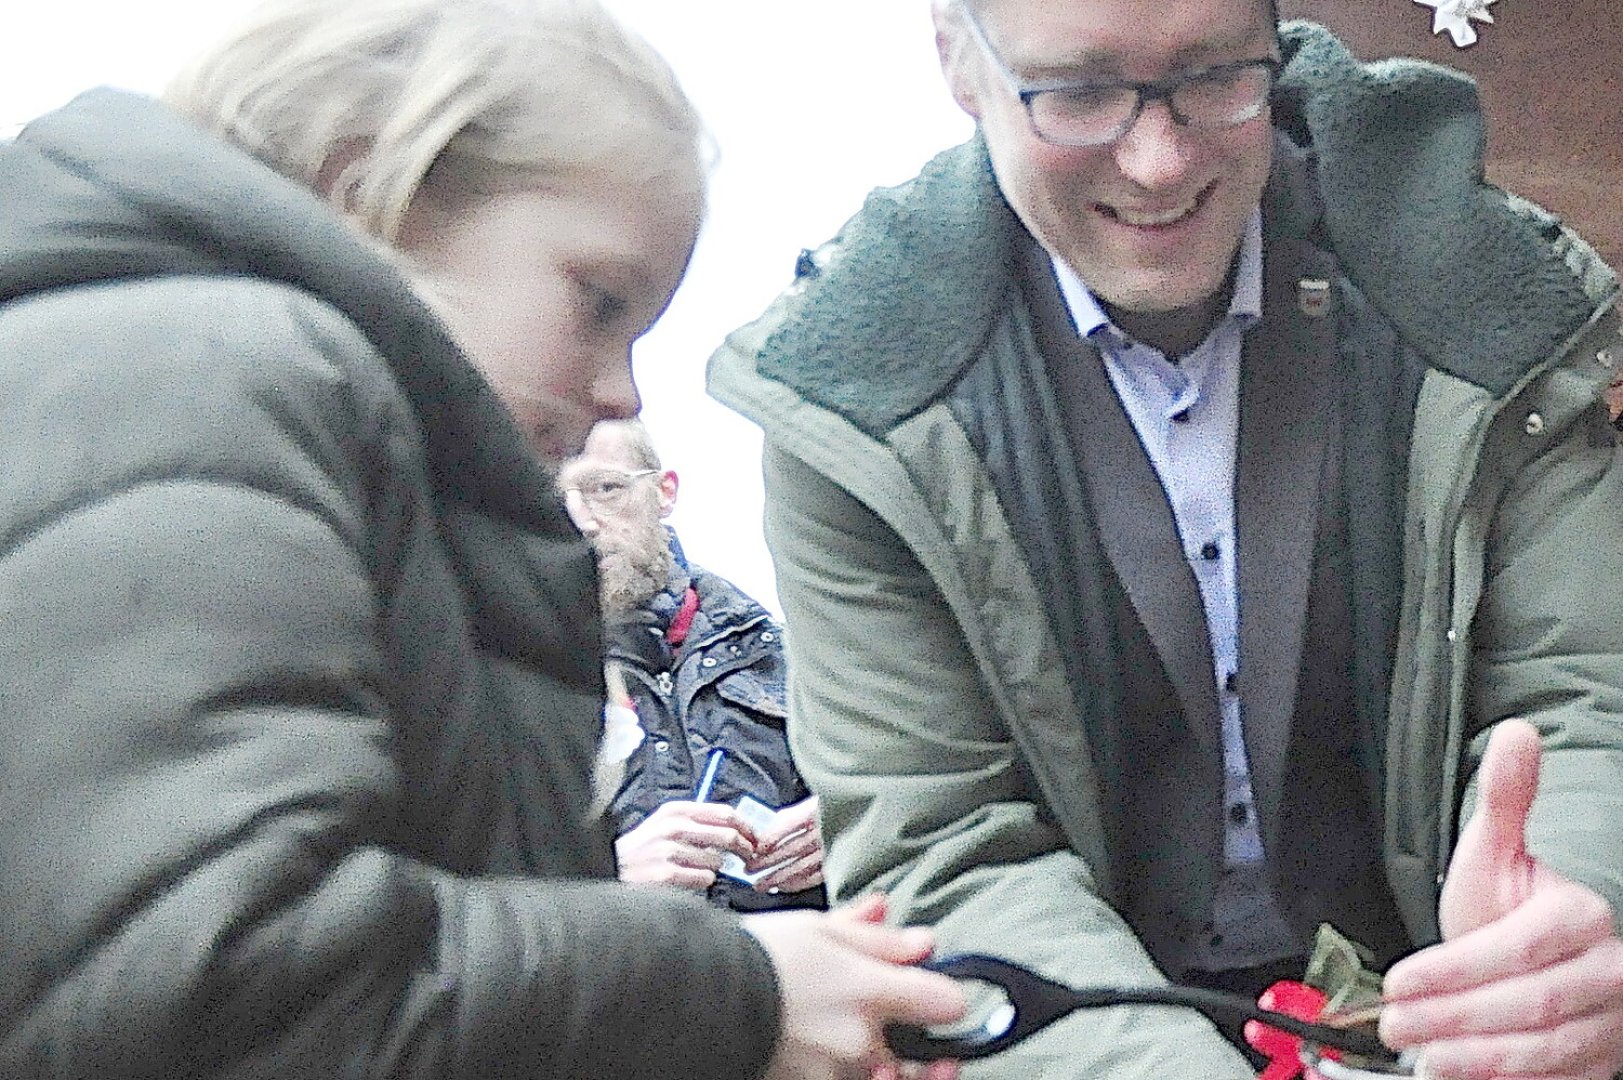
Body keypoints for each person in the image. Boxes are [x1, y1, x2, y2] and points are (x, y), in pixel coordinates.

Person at [0, 1, 966, 1077]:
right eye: (599, 303)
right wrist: (733, 993)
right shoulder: (197, 380)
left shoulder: (265, 414)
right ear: (369, 188)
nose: (618, 392)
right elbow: (219, 988)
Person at [707, 0, 1623, 1076]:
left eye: (1213, 77)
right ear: (960, 64)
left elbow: (1579, 696)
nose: (1156, 160)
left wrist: (1558, 923)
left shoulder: (1493, 303)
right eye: (1081, 92)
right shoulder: (851, 406)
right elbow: (941, 840)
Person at [559, 419, 827, 911]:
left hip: (797, 971)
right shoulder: (512, 673)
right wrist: (609, 876)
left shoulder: (783, 649)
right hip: (621, 974)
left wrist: (846, 827)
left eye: (606, 488)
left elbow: (903, 788)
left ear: (665, 492)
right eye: (556, 497)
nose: (583, 521)